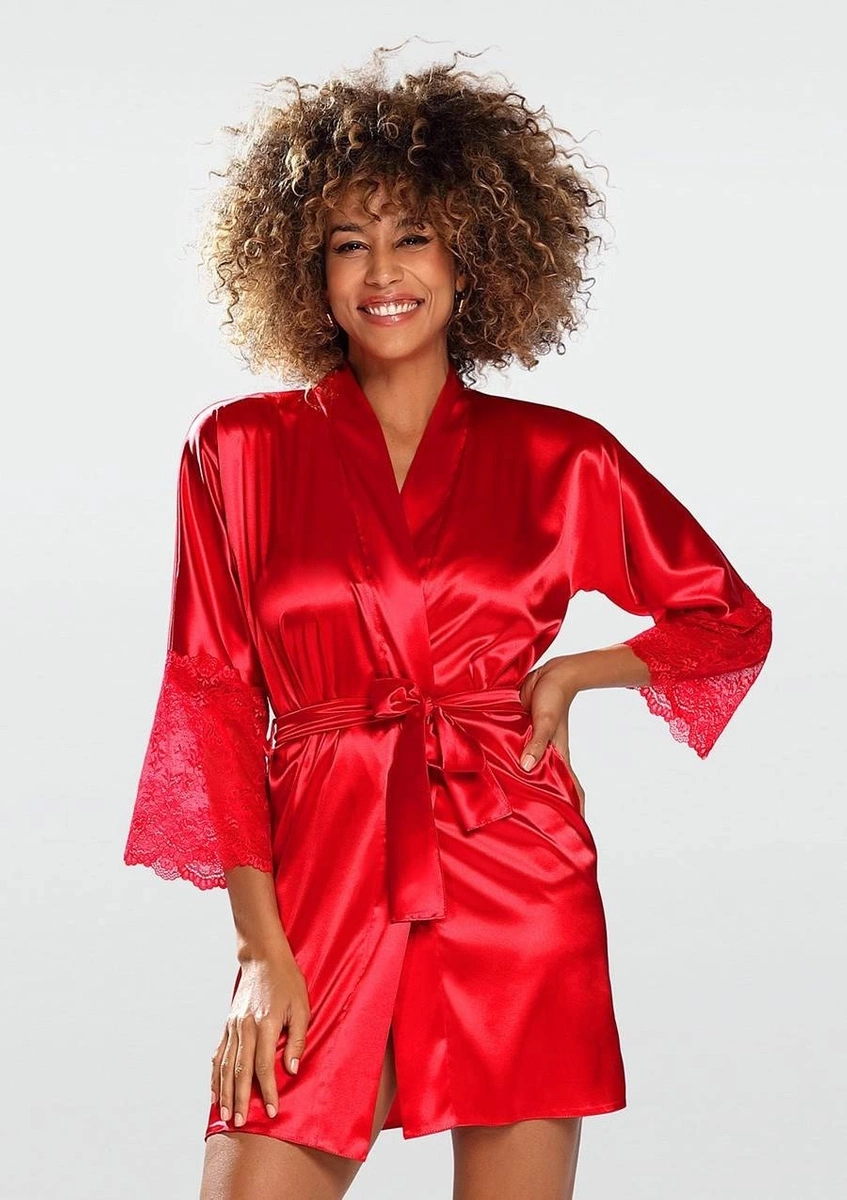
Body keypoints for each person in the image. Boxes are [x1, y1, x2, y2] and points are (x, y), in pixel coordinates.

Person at [123, 50, 773, 1200]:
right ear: (307, 268)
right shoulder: (238, 449)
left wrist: (573, 674)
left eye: (413, 236)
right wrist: (258, 950)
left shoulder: (560, 455)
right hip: (324, 878)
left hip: (513, 865)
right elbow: (214, 698)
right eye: (348, 243)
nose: (382, 272)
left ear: (471, 255)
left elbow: (727, 617)